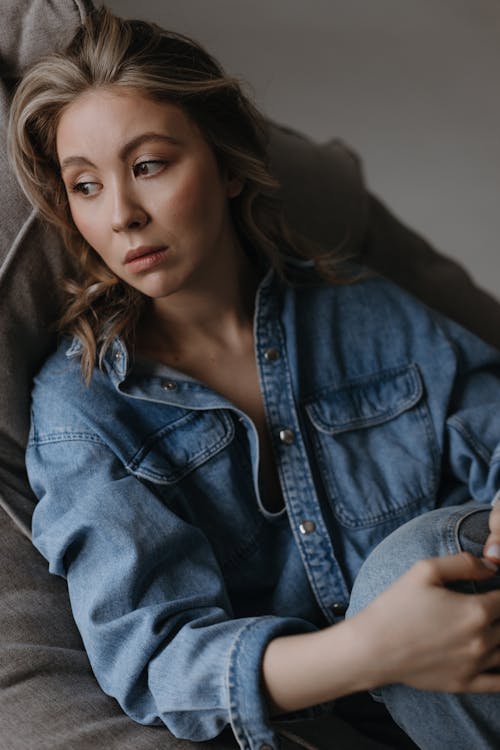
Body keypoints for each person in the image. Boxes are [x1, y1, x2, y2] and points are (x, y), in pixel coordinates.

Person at [8, 6, 500, 749]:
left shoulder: (360, 313)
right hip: (327, 725)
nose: (123, 216)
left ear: (228, 166)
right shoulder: (82, 412)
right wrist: (373, 650)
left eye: (148, 166)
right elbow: (158, 664)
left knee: (420, 560)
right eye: (85, 186)